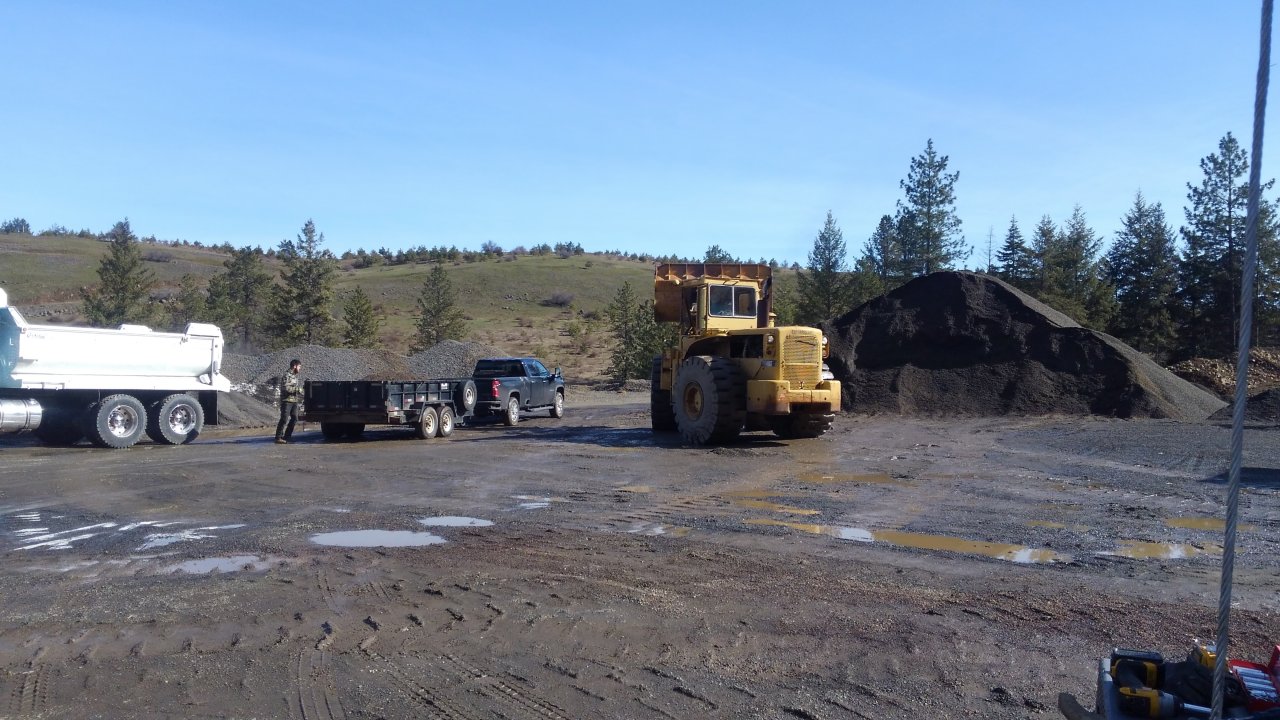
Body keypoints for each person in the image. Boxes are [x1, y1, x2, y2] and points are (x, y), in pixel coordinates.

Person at [275, 358, 303, 444]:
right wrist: (297, 389)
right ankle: (278, 437)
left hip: (294, 400)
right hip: (287, 400)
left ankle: (287, 436)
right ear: (294, 366)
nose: (300, 368)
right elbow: (285, 388)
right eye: (299, 366)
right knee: (284, 419)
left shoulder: (294, 376)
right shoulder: (287, 375)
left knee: (295, 418)